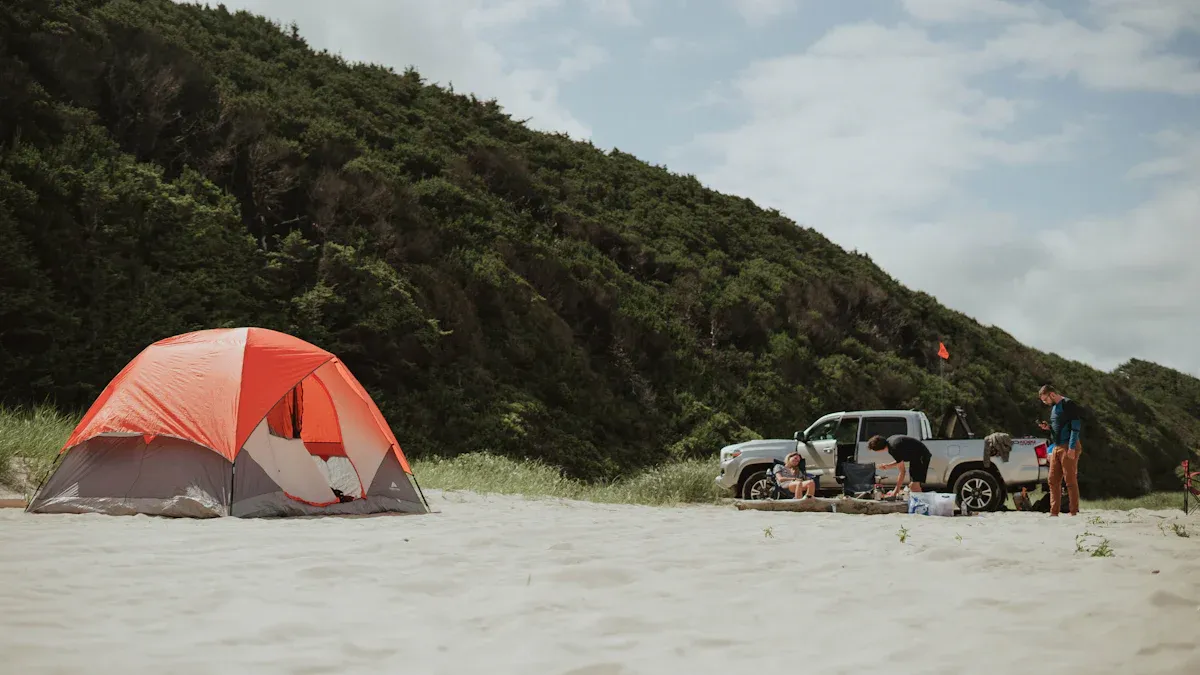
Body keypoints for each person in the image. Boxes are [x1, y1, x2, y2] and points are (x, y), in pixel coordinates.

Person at [1037, 384, 1083, 516]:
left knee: (1070, 480)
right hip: (1057, 446)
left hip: (1068, 446)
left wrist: (1072, 447)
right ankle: (1054, 512)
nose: (1045, 403)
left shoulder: (1068, 404)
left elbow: (1075, 427)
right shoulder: (1054, 408)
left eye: (1046, 399)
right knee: (1052, 480)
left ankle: (1073, 511)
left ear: (1052, 394)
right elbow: (1059, 426)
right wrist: (1048, 428)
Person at [867, 434, 932, 496]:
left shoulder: (893, 448)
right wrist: (888, 465)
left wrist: (895, 491)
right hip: (915, 457)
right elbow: (900, 460)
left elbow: (902, 472)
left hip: (921, 457)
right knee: (912, 486)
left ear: (878, 449)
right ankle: (919, 504)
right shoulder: (890, 441)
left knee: (914, 486)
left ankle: (921, 505)